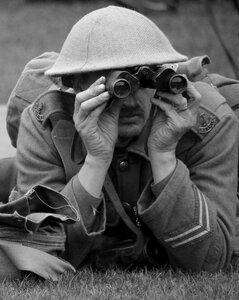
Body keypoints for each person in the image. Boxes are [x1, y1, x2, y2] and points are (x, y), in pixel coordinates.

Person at [6, 5, 239, 275]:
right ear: (76, 85)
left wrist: (164, 156)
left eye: (140, 83)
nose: (128, 100)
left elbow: (212, 259)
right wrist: (96, 160)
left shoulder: (204, 120)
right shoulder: (46, 123)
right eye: (116, 87)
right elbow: (41, 251)